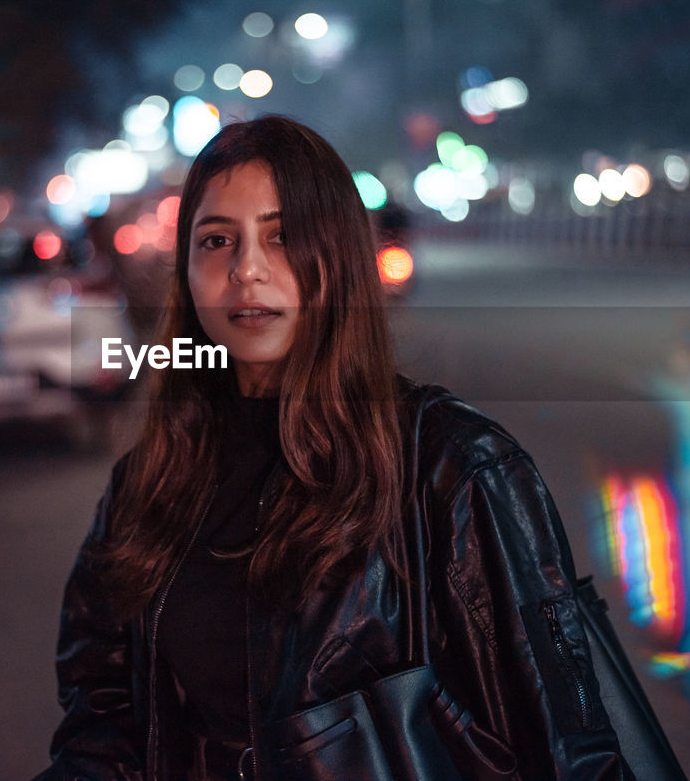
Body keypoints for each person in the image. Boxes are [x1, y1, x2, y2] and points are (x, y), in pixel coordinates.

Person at [39, 116, 633, 780]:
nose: (247, 270)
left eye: (282, 236)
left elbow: (567, 746)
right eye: (216, 240)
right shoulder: (147, 484)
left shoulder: (458, 471)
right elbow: (105, 713)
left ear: (338, 256)